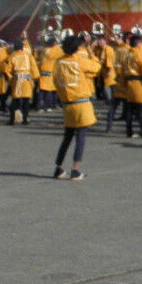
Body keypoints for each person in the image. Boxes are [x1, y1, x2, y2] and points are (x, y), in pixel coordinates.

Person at [52, 34, 101, 179]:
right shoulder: (79, 60)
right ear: (77, 48)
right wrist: (90, 51)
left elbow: (55, 80)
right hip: (81, 103)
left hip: (67, 103)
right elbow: (97, 67)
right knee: (80, 137)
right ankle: (75, 169)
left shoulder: (59, 62)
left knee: (67, 137)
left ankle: (58, 168)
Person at [118, 33, 142, 139]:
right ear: (138, 44)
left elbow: (122, 71)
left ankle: (129, 131)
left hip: (129, 84)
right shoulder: (139, 54)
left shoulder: (127, 55)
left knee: (130, 109)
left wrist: (123, 83)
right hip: (140, 84)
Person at [5, 39, 37, 124]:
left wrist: (11, 79)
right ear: (22, 47)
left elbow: (7, 70)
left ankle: (12, 120)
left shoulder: (12, 56)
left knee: (15, 99)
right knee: (26, 100)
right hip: (27, 79)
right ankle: (25, 119)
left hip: (17, 79)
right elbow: (33, 67)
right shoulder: (28, 55)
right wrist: (34, 78)